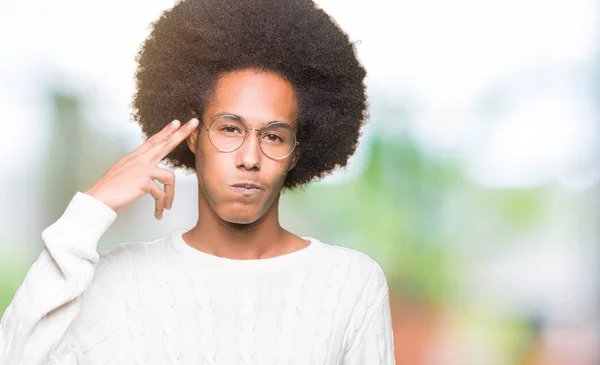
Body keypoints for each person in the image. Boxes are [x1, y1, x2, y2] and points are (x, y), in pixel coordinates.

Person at [0, 0, 396, 363]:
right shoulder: (116, 280)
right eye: (229, 129)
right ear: (192, 134)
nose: (250, 158)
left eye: (273, 136)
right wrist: (91, 207)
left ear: (296, 153)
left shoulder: (349, 283)